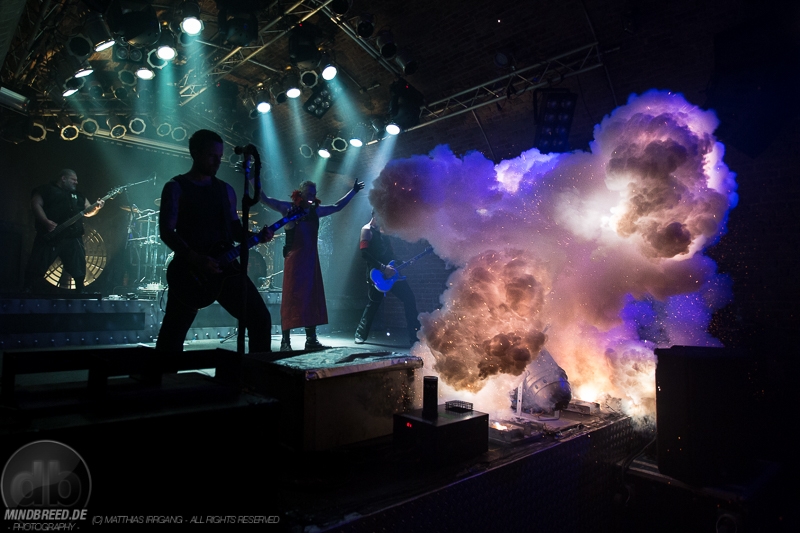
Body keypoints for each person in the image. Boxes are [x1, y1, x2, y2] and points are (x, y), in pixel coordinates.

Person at [156, 129, 274, 353]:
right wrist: (196, 259)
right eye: (212, 156)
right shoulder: (176, 187)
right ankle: (162, 374)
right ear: (195, 153)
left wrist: (256, 237)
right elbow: (166, 231)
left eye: (220, 157)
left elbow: (235, 230)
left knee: (260, 318)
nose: (218, 162)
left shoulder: (225, 190)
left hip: (225, 267)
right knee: (173, 334)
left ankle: (256, 373)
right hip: (191, 271)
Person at [260, 178, 364, 351]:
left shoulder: (315, 211)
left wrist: (353, 191)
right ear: (300, 193)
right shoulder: (288, 208)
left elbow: (337, 206)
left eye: (314, 194)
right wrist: (251, 178)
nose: (312, 197)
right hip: (294, 260)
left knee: (312, 297)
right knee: (291, 298)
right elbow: (264, 199)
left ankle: (311, 339)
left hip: (311, 260)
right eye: (309, 194)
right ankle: (285, 341)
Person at [23, 169, 105, 292]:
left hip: (73, 237)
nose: (76, 182)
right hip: (51, 235)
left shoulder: (78, 195)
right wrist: (45, 221)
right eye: (73, 179)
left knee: (78, 266)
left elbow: (88, 211)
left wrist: (97, 207)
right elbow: (35, 204)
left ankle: (80, 291)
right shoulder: (47, 190)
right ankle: (27, 289)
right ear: (63, 178)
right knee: (38, 263)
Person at [355, 213, 421, 346]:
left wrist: (400, 262)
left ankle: (415, 337)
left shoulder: (384, 231)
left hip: (392, 273)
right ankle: (360, 334)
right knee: (374, 304)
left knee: (409, 298)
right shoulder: (366, 230)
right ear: (374, 214)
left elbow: (390, 254)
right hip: (376, 274)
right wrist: (383, 268)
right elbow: (364, 254)